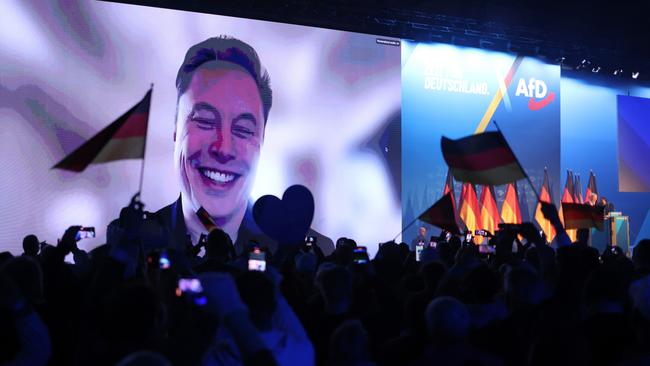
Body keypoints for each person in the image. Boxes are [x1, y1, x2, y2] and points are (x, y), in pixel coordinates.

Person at [152, 36, 273, 255]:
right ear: (175, 129)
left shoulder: (293, 254)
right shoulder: (133, 246)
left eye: (244, 130)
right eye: (205, 121)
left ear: (262, 142)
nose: (224, 149)